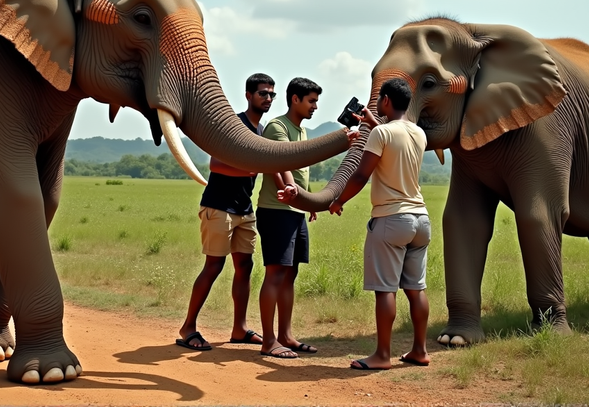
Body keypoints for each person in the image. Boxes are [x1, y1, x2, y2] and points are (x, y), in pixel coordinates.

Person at [328, 78, 431, 370]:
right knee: (416, 289)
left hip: (390, 219)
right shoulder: (419, 133)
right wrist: (377, 124)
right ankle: (419, 351)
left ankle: (382, 356)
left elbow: (361, 175)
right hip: (420, 219)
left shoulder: (381, 134)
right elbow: (396, 144)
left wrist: (338, 201)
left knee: (386, 290)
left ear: (385, 100)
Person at [256, 77, 357, 359]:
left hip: (295, 211)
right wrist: (293, 194)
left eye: (316, 101)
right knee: (275, 274)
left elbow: (299, 171)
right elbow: (279, 164)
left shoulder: (301, 132)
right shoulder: (278, 126)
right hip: (277, 211)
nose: (315, 107)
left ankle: (286, 335)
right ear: (295, 99)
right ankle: (268, 340)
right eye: (311, 101)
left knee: (290, 274)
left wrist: (309, 201)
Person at [175, 73, 276, 351]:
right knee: (214, 266)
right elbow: (216, 163)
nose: (267, 98)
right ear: (248, 95)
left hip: (245, 209)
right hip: (219, 207)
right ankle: (188, 328)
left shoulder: (261, 131)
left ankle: (239, 329)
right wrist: (249, 168)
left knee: (245, 266)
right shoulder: (234, 124)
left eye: (271, 95)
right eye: (262, 93)